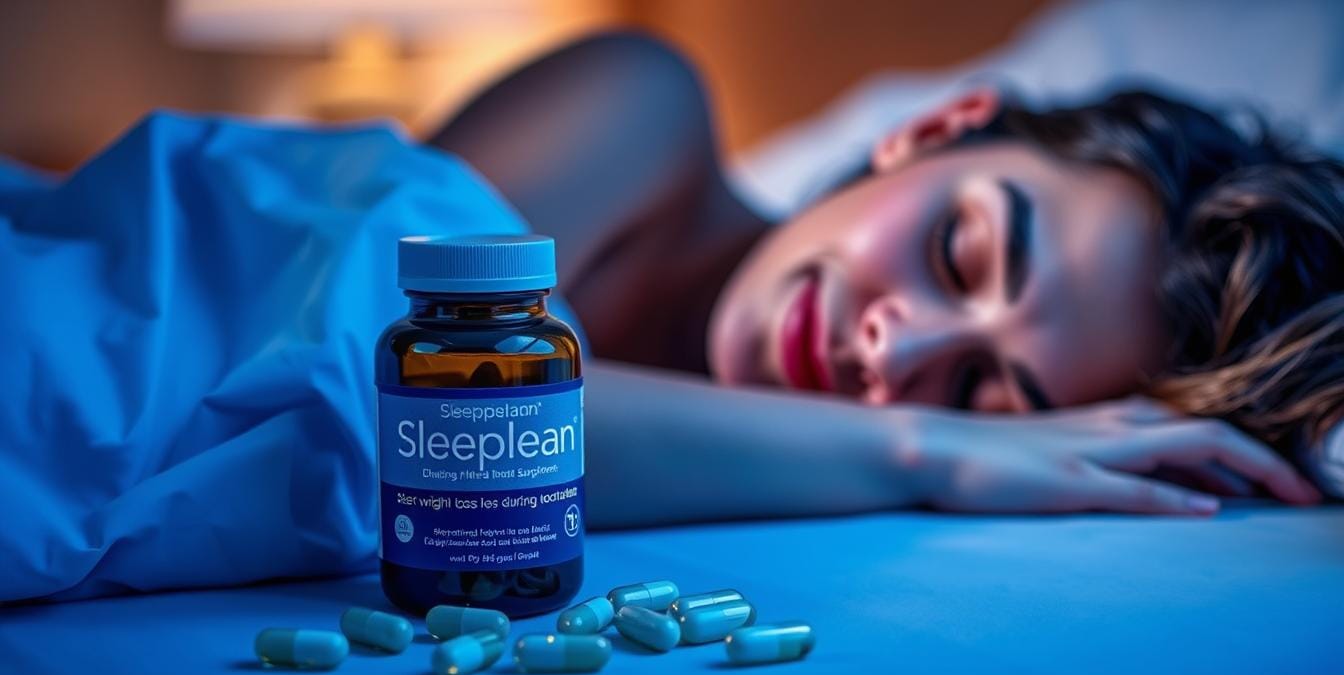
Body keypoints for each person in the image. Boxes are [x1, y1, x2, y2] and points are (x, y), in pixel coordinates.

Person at [429, 33, 1342, 525]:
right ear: (936, 129)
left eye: (978, 391)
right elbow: (432, 416)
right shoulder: (635, 101)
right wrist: (918, 446)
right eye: (958, 252)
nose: (895, 349)